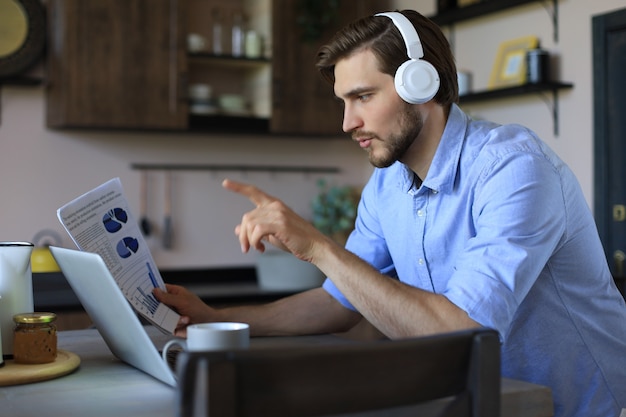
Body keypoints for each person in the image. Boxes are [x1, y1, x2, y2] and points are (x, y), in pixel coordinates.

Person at [154, 10, 626, 417]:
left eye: (363, 97)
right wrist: (215, 319)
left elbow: (466, 332)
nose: (347, 123)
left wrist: (318, 246)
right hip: (487, 402)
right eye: (343, 102)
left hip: (580, 408)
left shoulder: (514, 166)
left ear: (421, 84)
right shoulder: (388, 184)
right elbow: (337, 302)